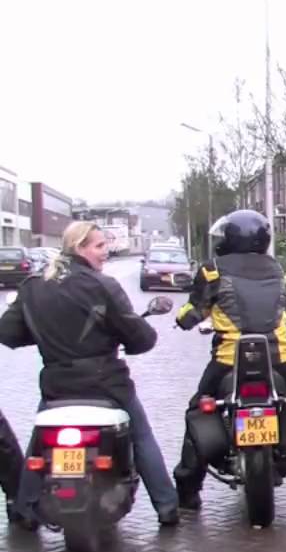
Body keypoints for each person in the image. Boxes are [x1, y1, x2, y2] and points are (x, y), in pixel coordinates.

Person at [0, 221, 180, 527]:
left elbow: (8, 332)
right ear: (80, 247)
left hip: (58, 385)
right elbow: (141, 337)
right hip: (106, 383)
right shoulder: (102, 285)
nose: (105, 252)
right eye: (99, 245)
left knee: (41, 441)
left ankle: (25, 509)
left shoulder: (33, 286)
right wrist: (128, 339)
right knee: (141, 436)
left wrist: (45, 335)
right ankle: (166, 506)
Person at [171, 210, 286, 509]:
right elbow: (281, 300)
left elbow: (195, 313)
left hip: (230, 359)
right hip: (280, 357)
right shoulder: (277, 269)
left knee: (198, 411)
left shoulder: (212, 271)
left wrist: (182, 317)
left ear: (229, 239)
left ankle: (189, 489)